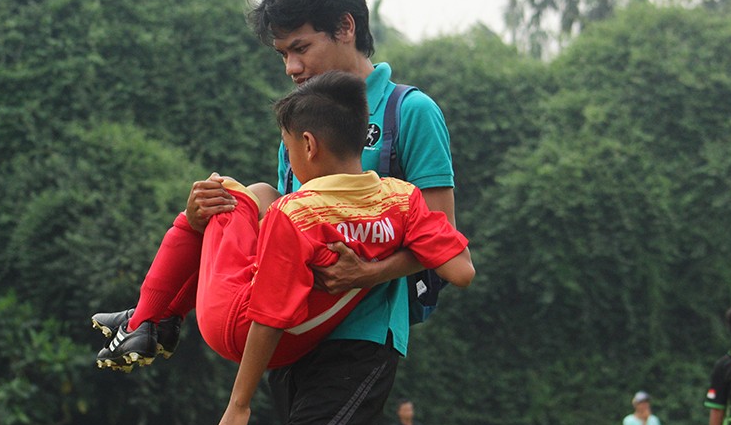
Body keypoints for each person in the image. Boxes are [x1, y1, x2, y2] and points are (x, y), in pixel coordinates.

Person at [192, 0, 456, 425]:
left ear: (346, 26)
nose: (291, 66)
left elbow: (445, 238)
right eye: (283, 53)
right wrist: (223, 207)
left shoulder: (409, 112)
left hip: (359, 346)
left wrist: (370, 273)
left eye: (301, 47)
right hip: (293, 343)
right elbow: (287, 222)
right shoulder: (301, 122)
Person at [92, 72, 473, 380]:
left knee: (222, 195)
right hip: (302, 337)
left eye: (299, 48)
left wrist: (238, 406)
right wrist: (369, 269)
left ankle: (147, 318)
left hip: (238, 327)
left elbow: (268, 315)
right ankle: (153, 320)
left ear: (308, 146)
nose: (292, 66)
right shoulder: (403, 200)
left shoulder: (297, 211)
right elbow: (460, 270)